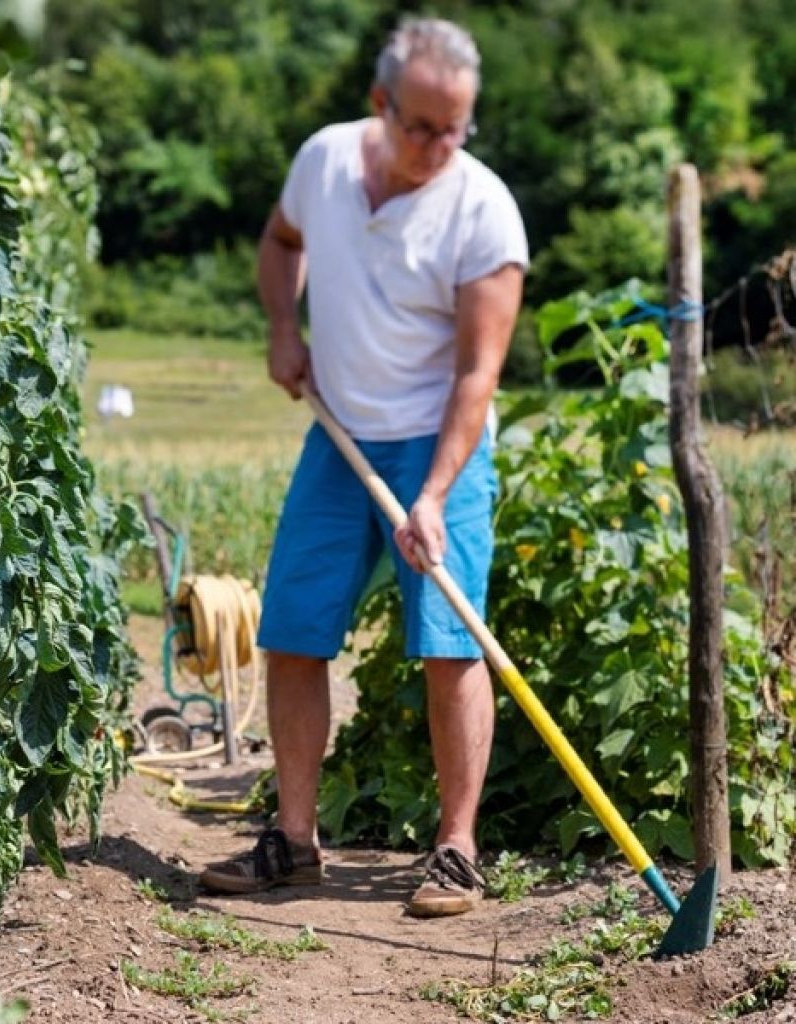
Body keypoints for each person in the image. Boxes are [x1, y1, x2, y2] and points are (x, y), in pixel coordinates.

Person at [199, 16, 527, 917]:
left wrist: (430, 496)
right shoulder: (325, 162)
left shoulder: (484, 210)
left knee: (449, 642)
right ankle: (295, 843)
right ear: (381, 104)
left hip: (440, 445)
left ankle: (457, 851)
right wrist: (280, 328)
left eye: (456, 127)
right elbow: (280, 243)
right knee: (294, 629)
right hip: (339, 435)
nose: (438, 145)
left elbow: (478, 372)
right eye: (421, 125)